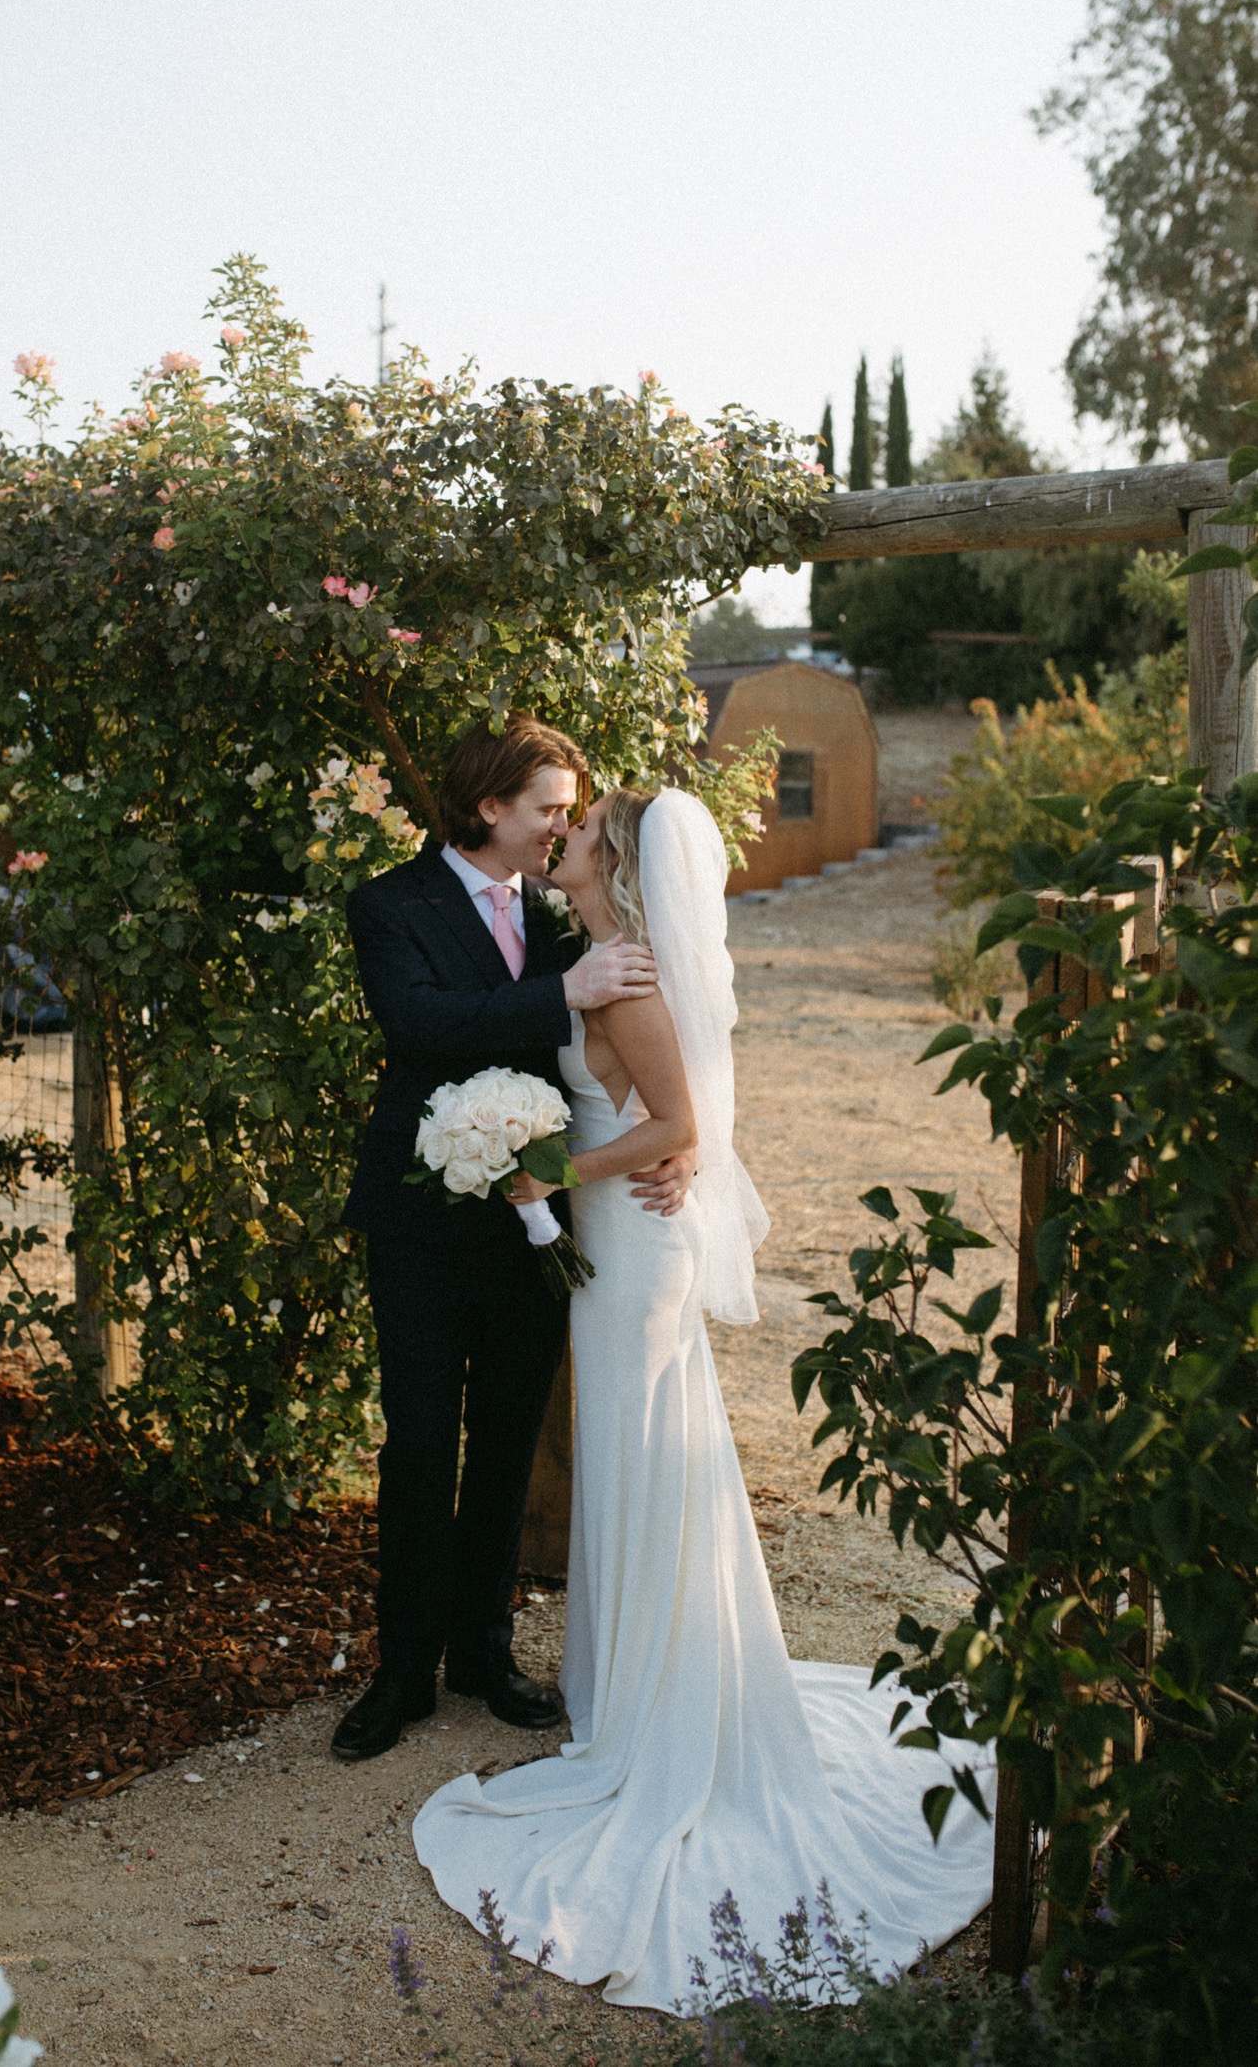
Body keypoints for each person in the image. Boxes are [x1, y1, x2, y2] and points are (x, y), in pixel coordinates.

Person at [412, 787, 997, 2008]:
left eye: (581, 824)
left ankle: (657, 1724)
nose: (561, 831)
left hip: (633, 1250)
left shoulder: (624, 978)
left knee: (649, 1457)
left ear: (613, 859)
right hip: (617, 1239)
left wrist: (545, 1167)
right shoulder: (593, 960)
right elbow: (665, 1123)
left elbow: (677, 1121)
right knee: (643, 1461)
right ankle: (636, 1699)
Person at [333, 716, 696, 1763]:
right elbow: (420, 1026)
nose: (559, 825)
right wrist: (559, 993)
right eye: (546, 806)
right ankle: (402, 1671)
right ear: (488, 806)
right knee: (416, 1446)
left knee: (505, 1446)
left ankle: (484, 1656)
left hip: (533, 1228)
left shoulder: (564, 915)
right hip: (416, 1226)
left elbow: (649, 1047)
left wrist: (681, 1144)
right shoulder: (388, 906)